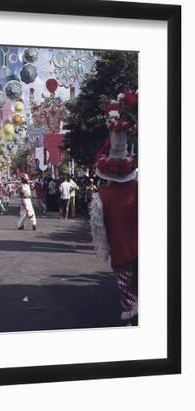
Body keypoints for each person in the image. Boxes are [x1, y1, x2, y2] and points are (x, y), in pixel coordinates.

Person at [90, 103, 138, 324]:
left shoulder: (102, 196)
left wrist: (105, 252)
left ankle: (131, 323)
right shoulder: (140, 188)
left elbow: (99, 231)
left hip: (121, 252)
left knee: (127, 293)